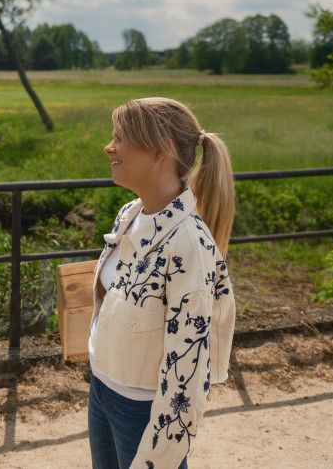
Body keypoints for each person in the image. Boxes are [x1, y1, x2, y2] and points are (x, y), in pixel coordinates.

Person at [88, 98, 235, 469]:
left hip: (142, 412)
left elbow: (187, 373)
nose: (109, 147)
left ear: (161, 151)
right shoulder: (130, 214)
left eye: (120, 137)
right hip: (101, 391)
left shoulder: (187, 244)